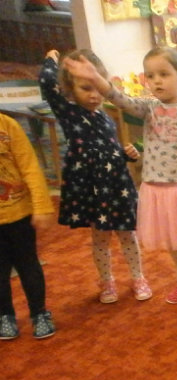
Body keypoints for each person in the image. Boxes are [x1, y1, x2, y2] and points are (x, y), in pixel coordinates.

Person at [63, 47, 177, 305]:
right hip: (156, 189)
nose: (157, 81)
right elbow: (118, 98)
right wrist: (95, 79)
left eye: (164, 74)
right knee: (173, 243)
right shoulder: (148, 109)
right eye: (151, 76)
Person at [39, 49, 151, 304]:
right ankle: (107, 281)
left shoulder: (106, 117)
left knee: (128, 234)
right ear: (70, 89)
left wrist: (127, 154)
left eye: (98, 87)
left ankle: (138, 277)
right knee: (100, 237)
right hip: (91, 189)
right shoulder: (69, 112)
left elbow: (109, 151)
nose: (94, 95)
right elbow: (47, 83)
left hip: (117, 185)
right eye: (85, 88)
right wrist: (51, 60)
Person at [0, 113, 56, 340]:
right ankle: (5, 315)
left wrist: (41, 206)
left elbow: (30, 167)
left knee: (28, 265)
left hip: (19, 214)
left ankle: (39, 313)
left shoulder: (7, 126)